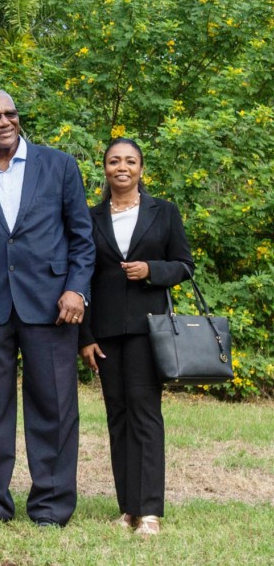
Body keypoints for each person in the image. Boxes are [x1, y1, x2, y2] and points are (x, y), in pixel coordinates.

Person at [0, 89, 94, 527]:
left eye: (10, 113)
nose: (3, 121)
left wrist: (77, 290)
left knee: (54, 406)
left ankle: (50, 507)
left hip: (52, 305)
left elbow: (82, 238)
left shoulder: (60, 165)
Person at [78, 138, 193, 537]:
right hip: (105, 333)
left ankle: (149, 512)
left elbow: (184, 266)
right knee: (118, 416)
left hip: (149, 330)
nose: (121, 167)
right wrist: (85, 336)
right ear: (105, 169)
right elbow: (83, 276)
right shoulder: (89, 218)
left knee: (145, 415)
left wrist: (152, 271)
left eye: (130, 161)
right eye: (114, 161)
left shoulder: (165, 212)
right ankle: (126, 508)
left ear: (142, 169)